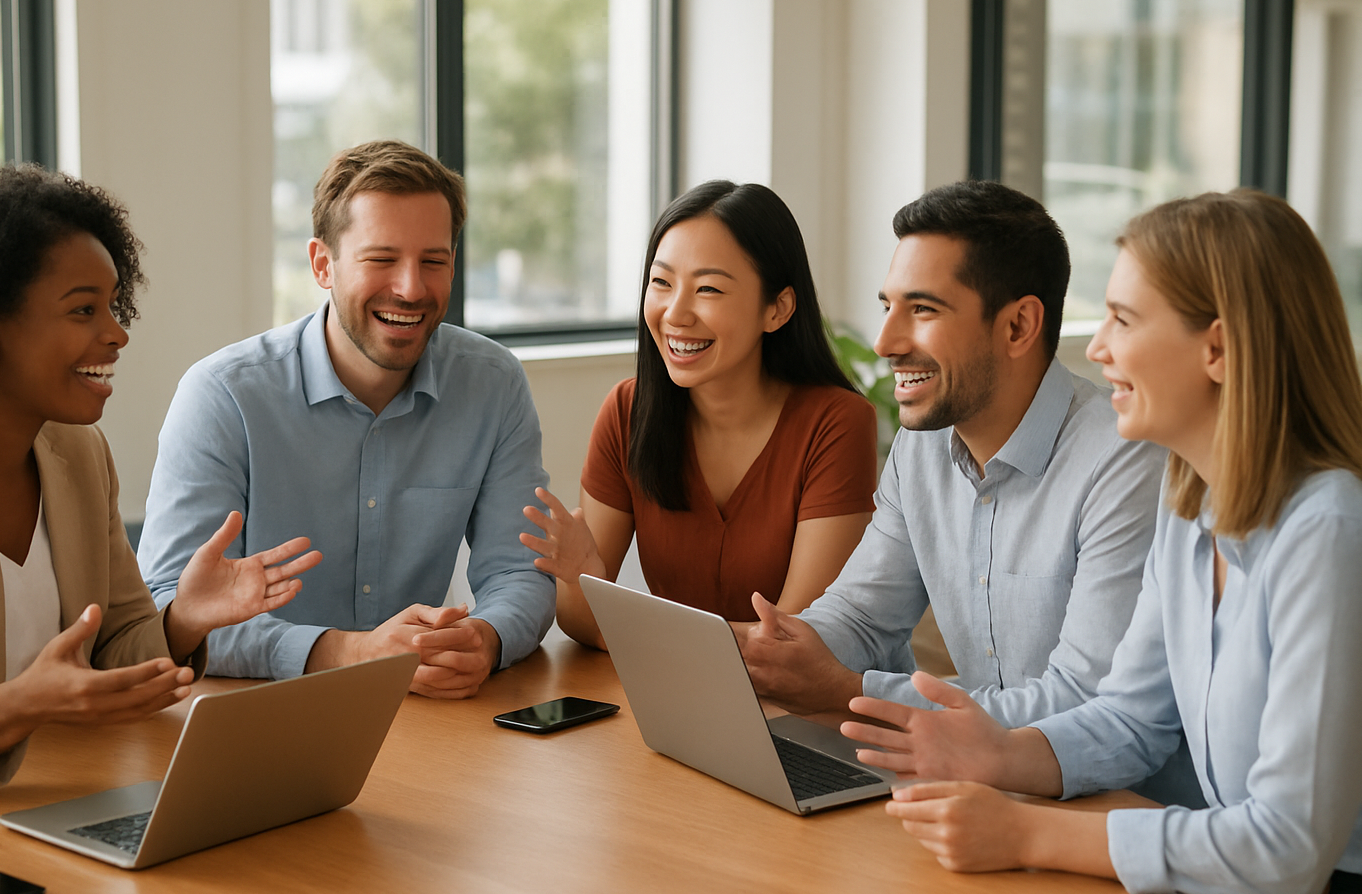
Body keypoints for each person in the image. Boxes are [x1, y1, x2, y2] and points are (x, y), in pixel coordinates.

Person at [845, 190, 1362, 894]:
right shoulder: (1191, 501)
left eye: (1122, 319)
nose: (1096, 350)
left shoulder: (1328, 530)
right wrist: (998, 752)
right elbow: (1132, 719)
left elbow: (1286, 854)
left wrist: (1025, 833)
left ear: (1217, 351)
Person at [0, 165, 320, 793]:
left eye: (112, 306)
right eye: (83, 310)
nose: (117, 333)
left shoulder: (79, 455)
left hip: (58, 793)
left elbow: (114, 650)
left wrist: (183, 621)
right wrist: (15, 707)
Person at [737, 181, 1194, 799]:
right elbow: (863, 615)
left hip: (1121, 810)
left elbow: (1083, 703)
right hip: (983, 790)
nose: (885, 343)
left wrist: (851, 691)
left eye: (923, 310)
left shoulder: (1126, 458)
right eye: (888, 306)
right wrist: (778, 650)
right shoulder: (922, 445)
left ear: (1018, 326)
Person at [136, 140, 554, 697]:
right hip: (257, 711)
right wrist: (345, 653)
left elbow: (520, 571)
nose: (411, 288)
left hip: (422, 713)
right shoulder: (222, 396)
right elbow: (167, 607)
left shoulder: (493, 384)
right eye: (381, 259)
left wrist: (486, 637)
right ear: (322, 264)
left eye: (433, 261)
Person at [521, 181, 878, 649]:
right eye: (662, 283)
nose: (676, 313)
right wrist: (580, 577)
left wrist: (632, 625)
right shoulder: (628, 411)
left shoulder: (837, 423)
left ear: (777, 309)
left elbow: (793, 643)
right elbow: (581, 621)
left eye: (708, 288)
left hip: (808, 695)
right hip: (676, 686)